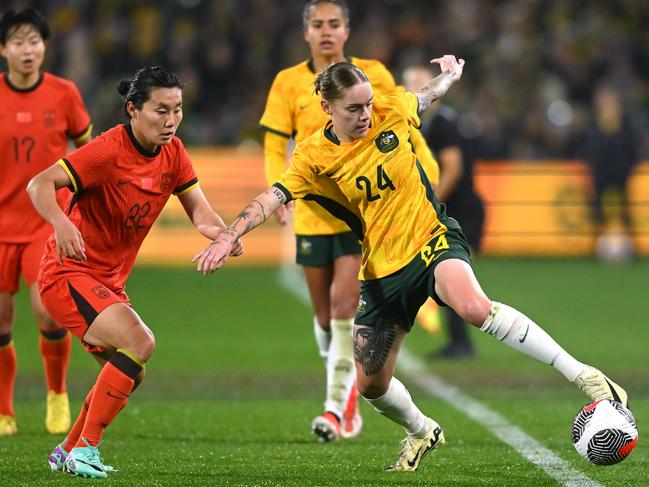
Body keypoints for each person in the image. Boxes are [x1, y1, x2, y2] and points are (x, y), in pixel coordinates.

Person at [194, 57, 628, 472]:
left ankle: (588, 378)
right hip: (382, 269)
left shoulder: (387, 110)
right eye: (354, 108)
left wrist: (450, 78)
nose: (365, 113)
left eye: (367, 103)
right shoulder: (312, 157)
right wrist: (232, 233)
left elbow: (424, 96)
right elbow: (272, 197)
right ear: (326, 108)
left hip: (432, 239)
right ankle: (421, 431)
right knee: (371, 385)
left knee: (475, 308)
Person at [27, 66, 242, 478]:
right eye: (161, 110)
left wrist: (225, 235)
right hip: (67, 273)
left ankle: (67, 449)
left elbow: (200, 212)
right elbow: (39, 184)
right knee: (139, 341)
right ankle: (86, 449)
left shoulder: (174, 152)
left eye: (177, 110)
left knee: (132, 371)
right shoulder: (107, 150)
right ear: (133, 110)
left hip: (106, 281)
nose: (171, 120)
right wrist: (61, 222)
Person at [259, 0, 439, 443]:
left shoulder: (372, 73)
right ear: (306, 33)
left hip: (362, 213)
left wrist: (428, 177)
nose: (326, 31)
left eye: (334, 24)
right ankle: (344, 391)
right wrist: (278, 192)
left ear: (347, 29)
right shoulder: (287, 82)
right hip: (313, 217)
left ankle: (337, 409)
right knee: (325, 318)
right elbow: (273, 142)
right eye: (317, 24)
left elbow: (404, 127)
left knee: (344, 308)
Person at [0, 7, 92, 437]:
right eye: (17, 41)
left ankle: (57, 396)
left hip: (44, 223)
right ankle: (4, 410)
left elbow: (87, 151)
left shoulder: (64, 94)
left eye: (34, 41)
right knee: (0, 324)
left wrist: (77, 207)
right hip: (0, 226)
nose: (27, 50)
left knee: (48, 316)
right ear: (3, 49)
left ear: (44, 46)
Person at [403, 65, 486, 359]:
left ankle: (463, 343)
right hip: (453, 208)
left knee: (452, 272)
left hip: (460, 209)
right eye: (408, 83)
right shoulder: (419, 123)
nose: (412, 88)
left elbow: (453, 168)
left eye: (418, 82)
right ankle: (460, 342)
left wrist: (430, 204)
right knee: (447, 275)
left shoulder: (440, 123)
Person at [580, 84, 638, 261]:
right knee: (597, 212)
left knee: (625, 212)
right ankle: (595, 245)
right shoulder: (595, 126)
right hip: (600, 175)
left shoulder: (625, 125)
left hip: (621, 174)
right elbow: (589, 150)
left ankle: (630, 246)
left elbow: (631, 149)